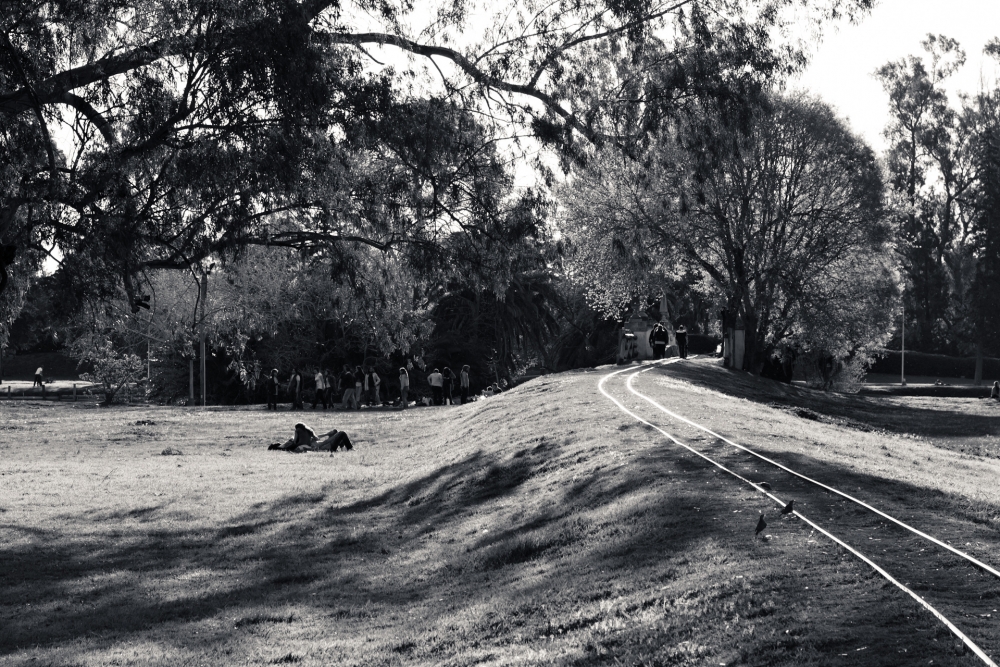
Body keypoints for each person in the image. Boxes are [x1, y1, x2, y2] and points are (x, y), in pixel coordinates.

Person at [268, 422, 353, 453]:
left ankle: (345, 449)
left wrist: (327, 434)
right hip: (329, 447)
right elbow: (321, 442)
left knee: (336, 432)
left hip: (328, 445)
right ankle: (348, 449)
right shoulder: (304, 445)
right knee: (341, 433)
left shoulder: (307, 441)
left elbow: (317, 438)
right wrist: (329, 436)